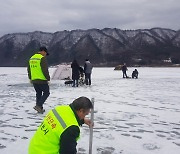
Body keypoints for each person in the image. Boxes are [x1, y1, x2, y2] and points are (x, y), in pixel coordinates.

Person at [28, 96, 93, 154]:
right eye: (85, 114)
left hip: (35, 148)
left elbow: (65, 120)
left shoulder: (60, 109)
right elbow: (68, 152)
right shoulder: (72, 129)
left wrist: (83, 120)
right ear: (81, 111)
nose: (84, 116)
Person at [27, 46, 50, 114]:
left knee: (38, 93)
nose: (45, 55)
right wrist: (48, 78)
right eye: (45, 53)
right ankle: (39, 105)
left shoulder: (31, 58)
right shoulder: (42, 58)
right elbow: (45, 70)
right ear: (43, 51)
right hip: (42, 79)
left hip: (34, 79)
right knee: (46, 93)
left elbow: (29, 69)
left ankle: (39, 108)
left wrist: (30, 78)